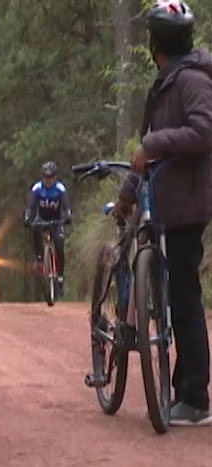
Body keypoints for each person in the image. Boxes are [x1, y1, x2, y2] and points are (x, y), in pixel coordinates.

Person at [114, 1, 212, 426]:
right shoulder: (165, 84)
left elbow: (203, 131)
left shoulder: (191, 81)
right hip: (165, 203)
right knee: (175, 296)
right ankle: (182, 386)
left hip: (188, 206)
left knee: (185, 298)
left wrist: (154, 145)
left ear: (157, 44)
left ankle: (194, 397)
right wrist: (126, 196)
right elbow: (146, 155)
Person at [23, 161, 72, 292]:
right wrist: (28, 218)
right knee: (35, 229)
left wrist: (67, 216)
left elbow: (66, 207)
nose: (48, 180)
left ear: (55, 178)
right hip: (42, 219)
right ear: (42, 177)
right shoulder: (37, 188)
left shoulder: (60, 189)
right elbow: (31, 207)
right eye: (45, 177)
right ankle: (40, 258)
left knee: (60, 245)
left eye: (50, 177)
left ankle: (60, 277)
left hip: (56, 220)